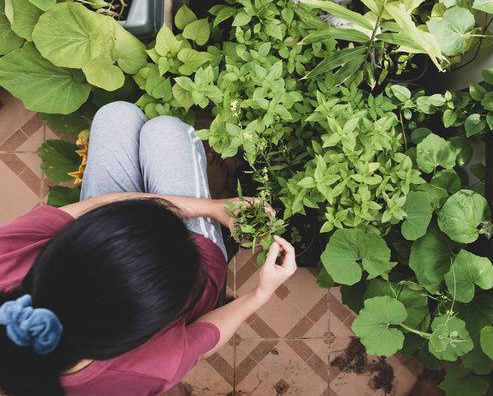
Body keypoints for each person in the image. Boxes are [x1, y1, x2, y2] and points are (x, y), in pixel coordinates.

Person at [0, 101, 297, 396]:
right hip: (194, 266)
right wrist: (261, 293)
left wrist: (211, 208)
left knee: (116, 114)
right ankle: (215, 192)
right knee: (164, 129)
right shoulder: (143, 372)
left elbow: (89, 207)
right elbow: (201, 342)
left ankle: (212, 196)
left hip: (110, 218)